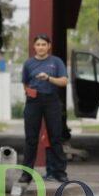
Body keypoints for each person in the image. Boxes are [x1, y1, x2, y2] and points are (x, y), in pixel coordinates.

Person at [18, 34, 68, 184]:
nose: (40, 47)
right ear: (34, 47)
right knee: (31, 139)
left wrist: (48, 78)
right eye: (38, 44)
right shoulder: (28, 64)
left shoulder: (56, 62)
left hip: (51, 100)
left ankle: (60, 172)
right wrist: (29, 92)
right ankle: (26, 174)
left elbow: (64, 81)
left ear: (49, 46)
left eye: (43, 44)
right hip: (34, 101)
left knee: (55, 137)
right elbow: (25, 82)